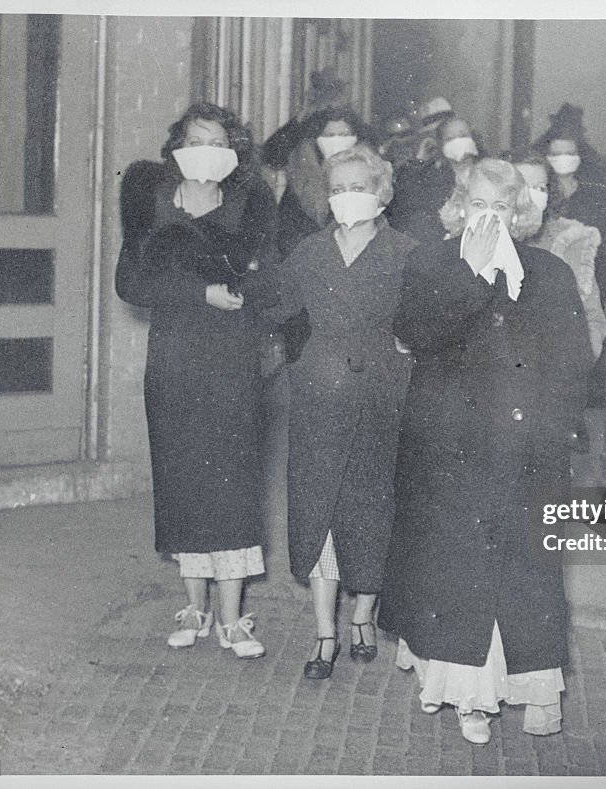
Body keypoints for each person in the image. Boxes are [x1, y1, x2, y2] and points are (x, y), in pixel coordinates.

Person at [378, 159, 592, 744]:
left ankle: (537, 691)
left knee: (528, 573)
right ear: (458, 207)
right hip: (453, 451)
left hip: (528, 451)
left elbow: (575, 363)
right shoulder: (430, 263)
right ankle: (472, 697)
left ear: (520, 213)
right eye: (478, 205)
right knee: (462, 576)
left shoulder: (547, 272)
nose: (488, 218)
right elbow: (416, 336)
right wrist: (469, 277)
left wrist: (551, 427)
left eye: (501, 207)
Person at [115, 102, 279, 659]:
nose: (204, 151)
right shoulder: (152, 208)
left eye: (217, 142)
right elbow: (130, 284)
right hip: (173, 365)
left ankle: (234, 618)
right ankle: (195, 607)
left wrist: (240, 292)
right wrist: (197, 293)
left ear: (233, 155)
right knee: (183, 480)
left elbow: (271, 287)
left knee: (231, 483)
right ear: (176, 147)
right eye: (194, 139)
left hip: (232, 365)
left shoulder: (251, 213)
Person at [262, 145, 417, 680]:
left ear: (381, 193)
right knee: (317, 507)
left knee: (372, 507)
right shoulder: (310, 251)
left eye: (359, 187)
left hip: (382, 395)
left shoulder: (405, 253)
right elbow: (274, 303)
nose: (347, 198)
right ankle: (325, 632)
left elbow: (426, 323)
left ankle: (364, 616)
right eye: (337, 188)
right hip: (320, 393)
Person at [533, 103, 606, 324]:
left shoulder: (594, 199)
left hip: (586, 293)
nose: (563, 158)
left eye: (570, 153)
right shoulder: (538, 196)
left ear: (579, 156)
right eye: (556, 154)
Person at [510, 151, 606, 360]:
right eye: (522, 187)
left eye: (540, 188)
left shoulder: (572, 242)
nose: (532, 195)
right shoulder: (485, 238)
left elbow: (592, 318)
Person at [263, 105, 379, 257]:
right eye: (330, 135)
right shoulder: (301, 177)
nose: (337, 140)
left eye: (344, 134)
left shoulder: (371, 173)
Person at [387, 115, 486, 244]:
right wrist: (420, 159)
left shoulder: (487, 172)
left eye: (463, 135)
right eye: (450, 138)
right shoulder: (433, 178)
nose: (458, 142)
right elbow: (404, 202)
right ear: (441, 145)